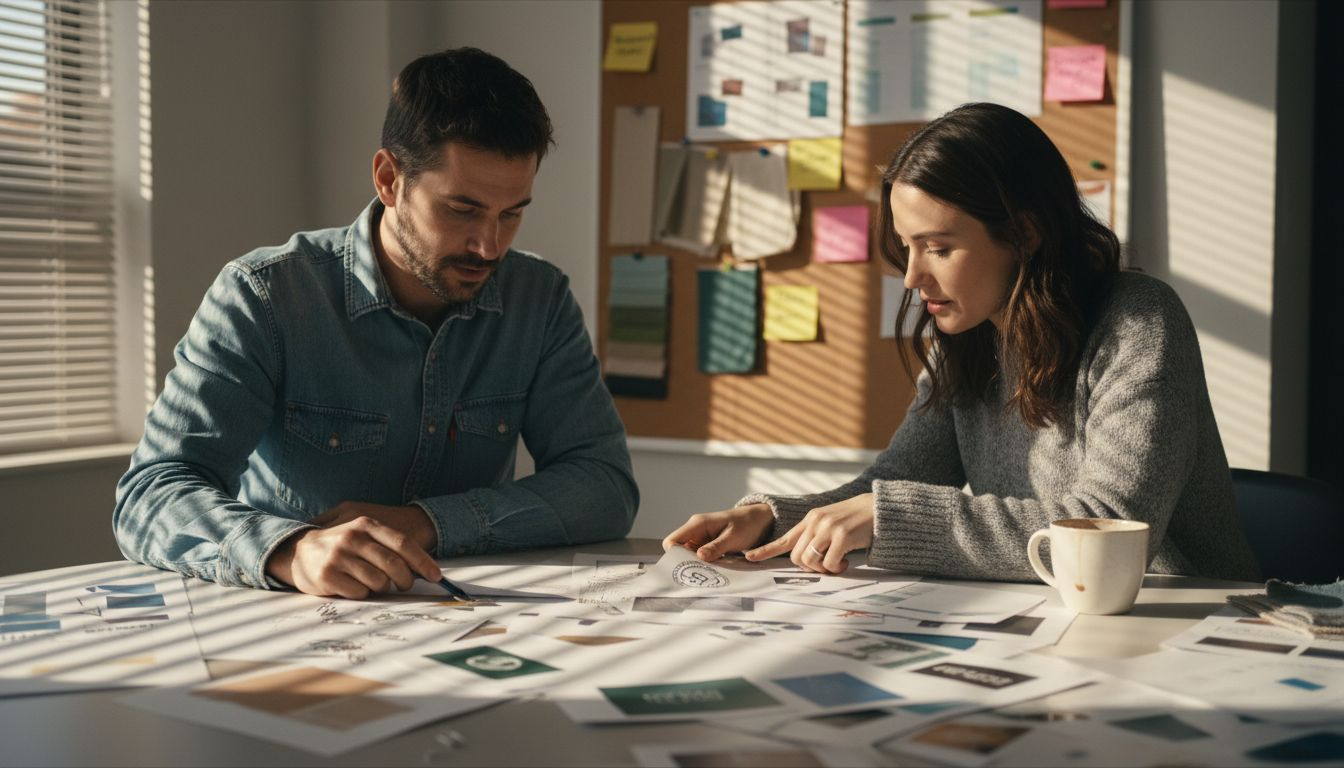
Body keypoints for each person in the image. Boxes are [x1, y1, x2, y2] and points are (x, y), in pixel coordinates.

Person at [115, 48, 638, 598]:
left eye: (511, 213)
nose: (489, 246)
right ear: (389, 179)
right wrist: (290, 550)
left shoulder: (540, 299)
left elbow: (604, 487)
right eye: (461, 210)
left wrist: (425, 522)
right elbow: (151, 494)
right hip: (294, 621)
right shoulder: (265, 295)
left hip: (478, 621)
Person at [663, 103, 1260, 583]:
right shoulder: (967, 337)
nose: (914, 277)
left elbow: (1109, 530)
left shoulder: (1140, 322)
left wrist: (890, 515)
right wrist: (770, 517)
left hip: (1184, 622)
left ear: (1024, 233)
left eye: (939, 248)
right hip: (1049, 626)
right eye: (907, 247)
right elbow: (895, 482)